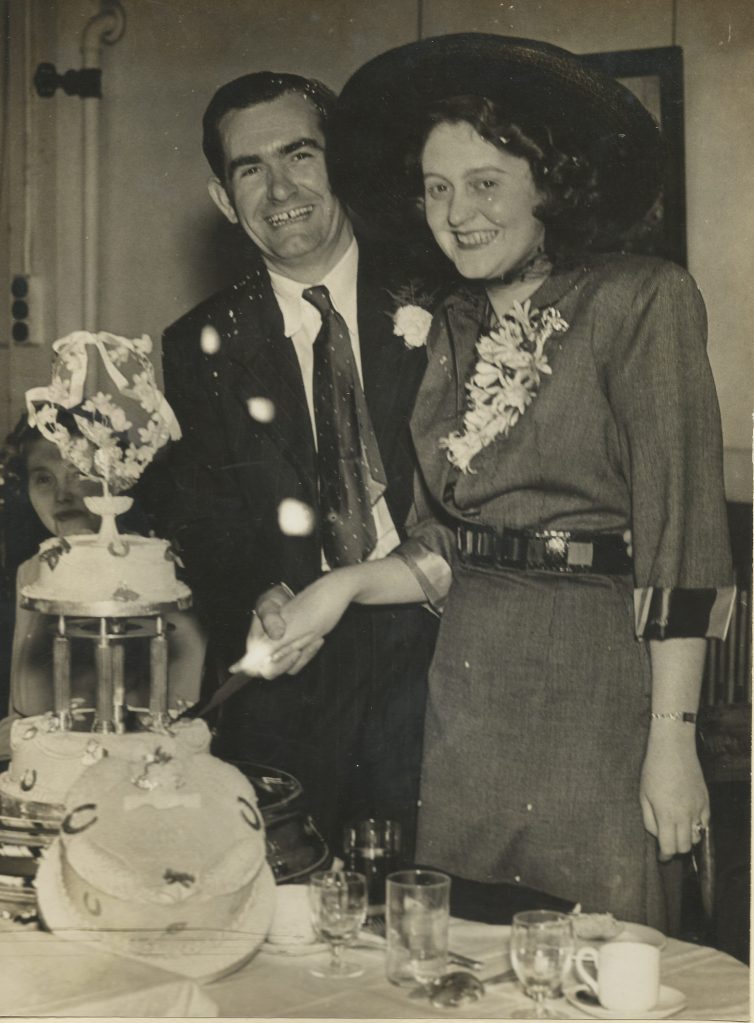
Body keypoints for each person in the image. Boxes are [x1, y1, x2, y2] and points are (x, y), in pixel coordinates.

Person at [247, 35, 735, 929]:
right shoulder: (453, 324)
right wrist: (343, 586)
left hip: (601, 691)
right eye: (437, 188)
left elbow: (684, 536)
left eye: (484, 184)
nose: (456, 213)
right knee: (466, 956)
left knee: (602, 953)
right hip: (470, 693)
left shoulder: (641, 299)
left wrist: (671, 741)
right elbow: (449, 543)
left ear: (547, 186)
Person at [146, 72, 443, 854]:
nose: (280, 188)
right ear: (223, 197)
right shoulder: (199, 343)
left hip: (442, 668)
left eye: (300, 154)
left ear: (337, 160)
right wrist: (260, 590)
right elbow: (203, 518)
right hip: (292, 686)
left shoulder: (442, 295)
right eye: (250, 169)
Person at [0, 418, 205, 756]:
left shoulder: (154, 570)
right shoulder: (33, 572)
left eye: (80, 474)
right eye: (43, 479)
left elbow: (179, 721)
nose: (62, 496)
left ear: (117, 481)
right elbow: (22, 710)